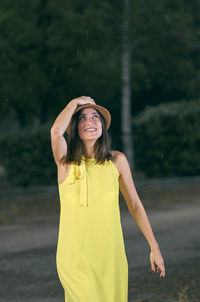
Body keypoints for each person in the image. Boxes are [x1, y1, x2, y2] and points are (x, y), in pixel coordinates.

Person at [50, 96, 165, 302]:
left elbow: (135, 205)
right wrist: (74, 102)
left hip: (111, 256)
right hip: (75, 258)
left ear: (102, 126)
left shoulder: (117, 161)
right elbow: (56, 131)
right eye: (82, 118)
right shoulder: (65, 163)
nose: (91, 122)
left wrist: (154, 248)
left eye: (95, 117)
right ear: (75, 127)